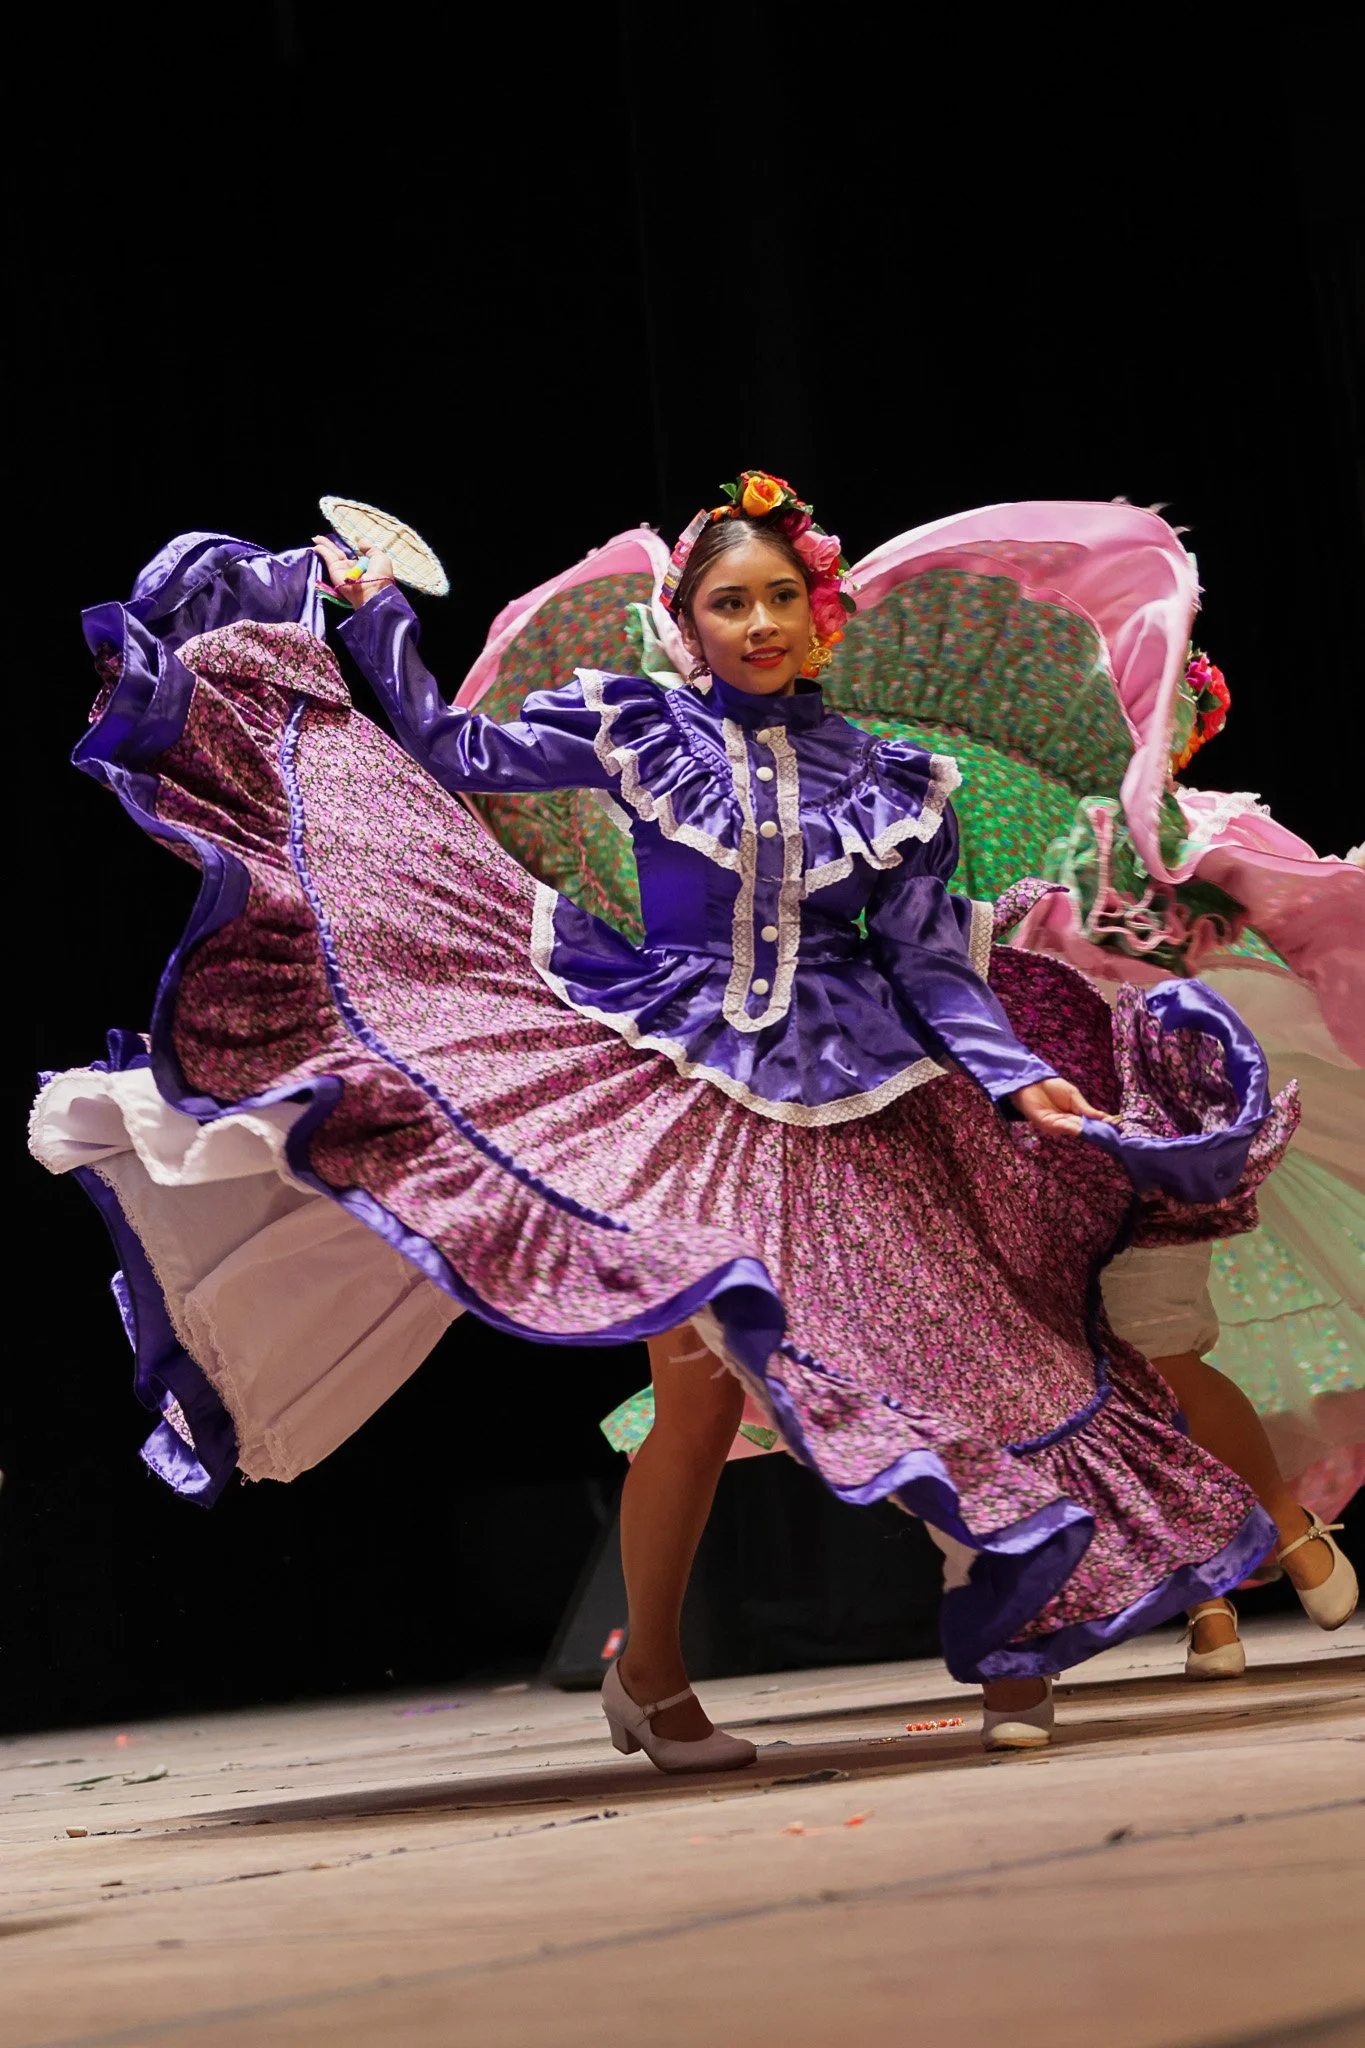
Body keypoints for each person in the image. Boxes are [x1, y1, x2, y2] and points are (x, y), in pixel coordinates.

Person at [32, 479, 1295, 1767]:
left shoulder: (898, 782)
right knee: (692, 1407)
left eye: (781, 598)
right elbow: (453, 753)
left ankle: (1019, 1661)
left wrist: (1018, 1077)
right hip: (672, 1078)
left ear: (822, 615)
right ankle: (655, 1673)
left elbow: (930, 968)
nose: (759, 622)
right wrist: (376, 618)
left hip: (860, 1100)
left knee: (952, 1365)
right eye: (729, 602)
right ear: (689, 623)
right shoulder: (645, 728)